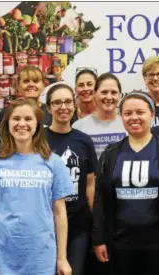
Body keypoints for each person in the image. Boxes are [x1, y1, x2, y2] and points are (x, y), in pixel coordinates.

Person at [92, 90, 159, 275]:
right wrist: (98, 238)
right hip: (120, 246)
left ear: (152, 114)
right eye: (128, 113)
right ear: (121, 117)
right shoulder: (110, 155)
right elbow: (100, 201)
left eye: (140, 112)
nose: (134, 117)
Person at [0, 98, 74, 275]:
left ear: (38, 125)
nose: (22, 124)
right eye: (16, 119)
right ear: (7, 123)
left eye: (28, 119)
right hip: (3, 259)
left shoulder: (53, 162)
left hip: (42, 259)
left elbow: (60, 213)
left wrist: (62, 258)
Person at [44, 84, 98, 275]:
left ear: (74, 105)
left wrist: (95, 221)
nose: (63, 107)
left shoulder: (84, 141)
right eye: (57, 102)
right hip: (46, 223)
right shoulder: (38, 140)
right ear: (49, 108)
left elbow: (90, 183)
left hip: (78, 224)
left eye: (67, 101)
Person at [0, 66, 77, 143]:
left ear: (43, 85)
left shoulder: (52, 111)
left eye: (36, 81)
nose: (31, 84)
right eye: (26, 81)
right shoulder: (5, 113)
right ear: (18, 86)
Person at [72, 72, 127, 159]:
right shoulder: (78, 126)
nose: (109, 97)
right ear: (94, 93)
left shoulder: (127, 124)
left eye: (114, 92)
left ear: (120, 95)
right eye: (104, 92)